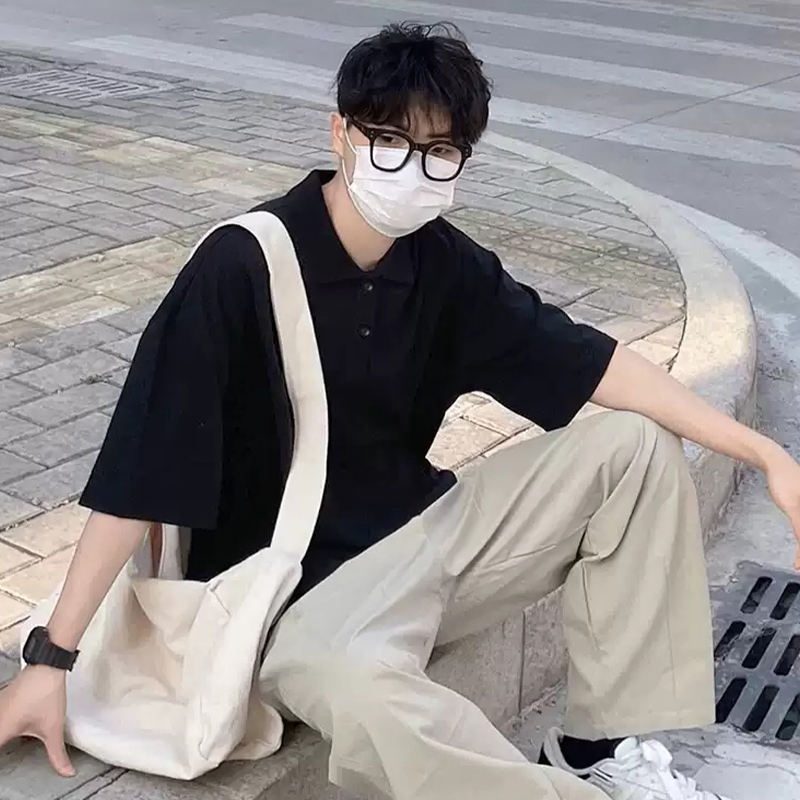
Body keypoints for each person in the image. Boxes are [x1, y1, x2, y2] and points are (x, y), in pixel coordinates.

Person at [1, 22, 799, 800]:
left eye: (438, 151)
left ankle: (599, 748)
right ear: (341, 134)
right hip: (297, 598)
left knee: (633, 450)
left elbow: (588, 360)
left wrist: (763, 453)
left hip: (424, 535)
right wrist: (51, 660)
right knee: (360, 691)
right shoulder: (240, 267)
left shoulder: (441, 262)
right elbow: (139, 471)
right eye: (388, 140)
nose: (410, 169)